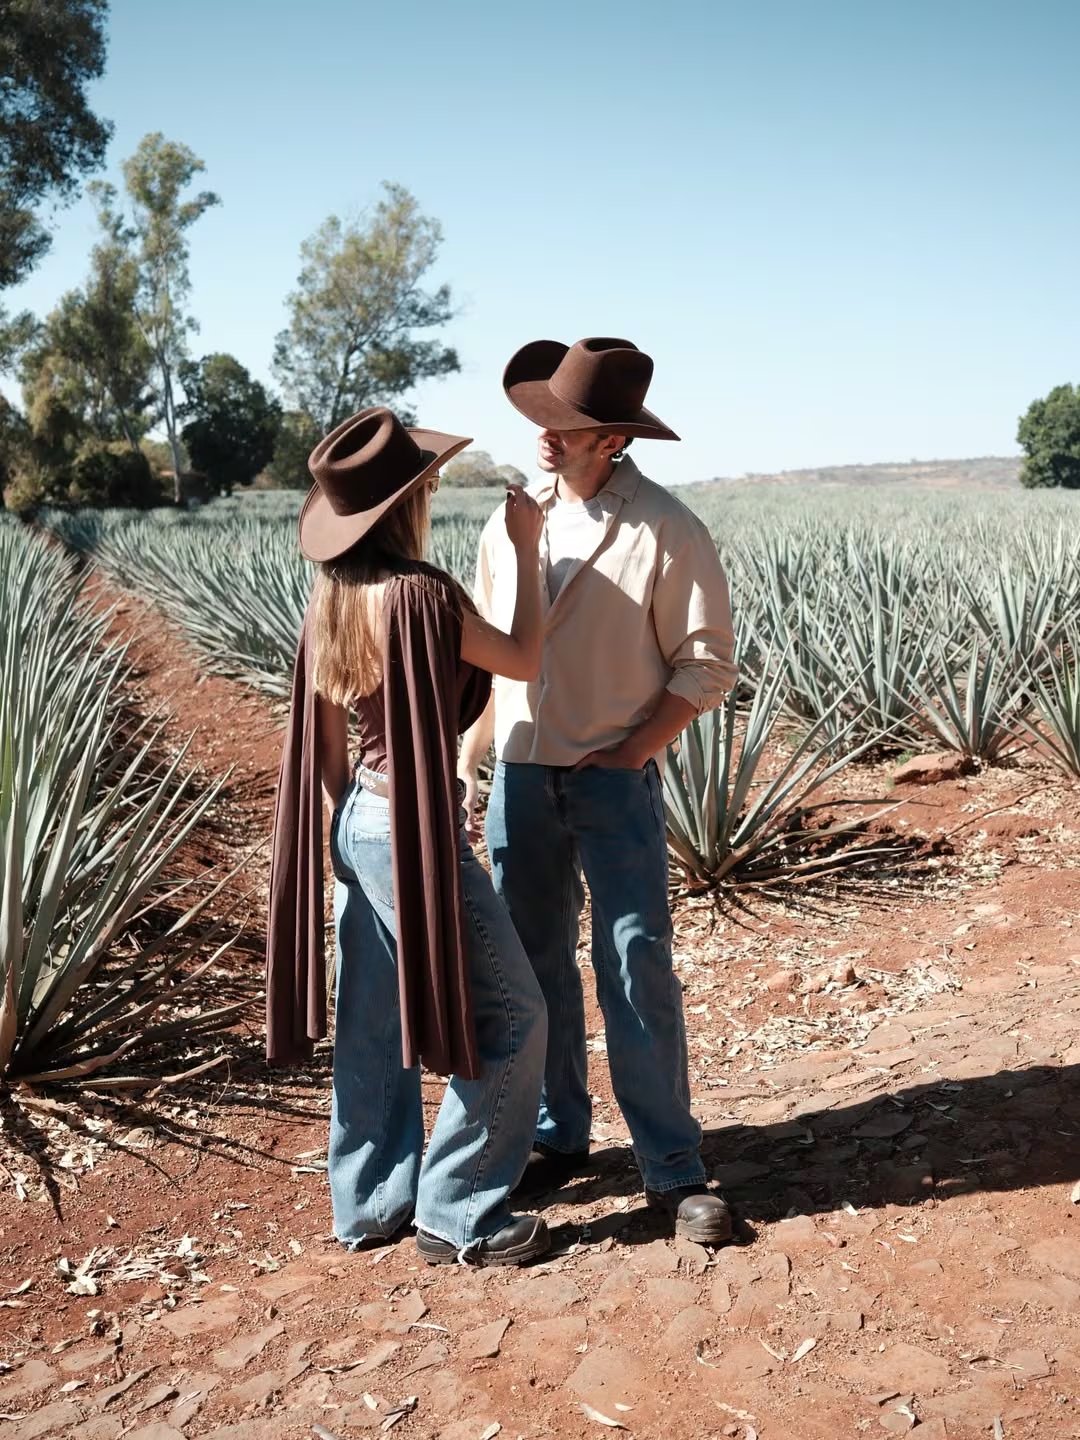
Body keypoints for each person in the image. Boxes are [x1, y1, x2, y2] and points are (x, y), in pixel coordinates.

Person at [459, 338, 738, 1244]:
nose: (545, 436)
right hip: (521, 778)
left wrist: (632, 753)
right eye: (543, 417)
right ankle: (558, 1135)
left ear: (612, 440)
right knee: (533, 973)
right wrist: (474, 748)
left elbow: (707, 666)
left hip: (613, 781)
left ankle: (671, 1165)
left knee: (634, 967)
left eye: (567, 427)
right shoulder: (510, 520)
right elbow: (489, 648)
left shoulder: (667, 528)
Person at [266, 405, 552, 1266]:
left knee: (370, 1018)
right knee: (516, 1014)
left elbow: (322, 748)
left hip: (358, 815)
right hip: (406, 825)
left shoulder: (333, 605)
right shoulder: (427, 595)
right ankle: (458, 1210)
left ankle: (369, 1203)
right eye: (424, 487)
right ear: (407, 506)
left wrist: (365, 820)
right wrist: (528, 550)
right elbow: (523, 660)